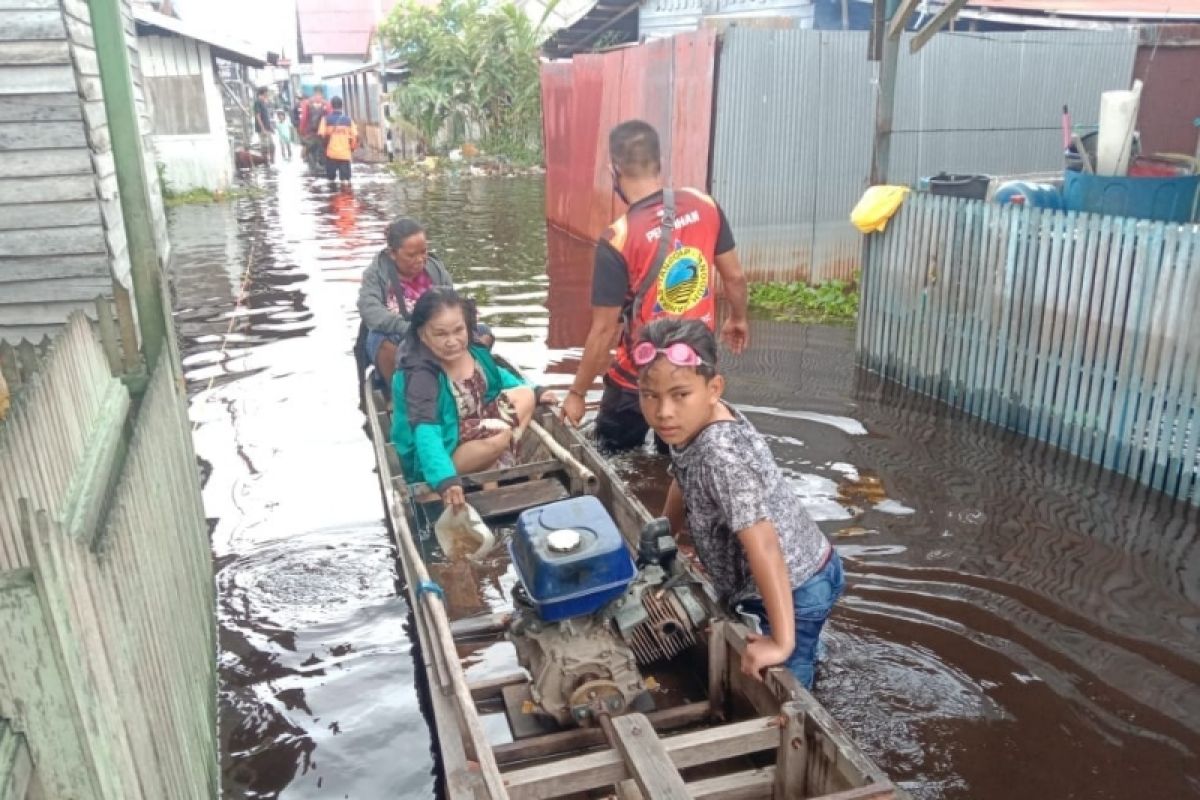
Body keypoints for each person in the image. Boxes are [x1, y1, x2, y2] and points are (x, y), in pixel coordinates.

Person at [636, 317, 843, 689]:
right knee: (801, 644)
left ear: (713, 387)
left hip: (798, 583)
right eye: (650, 395)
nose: (663, 411)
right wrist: (669, 532)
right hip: (805, 567)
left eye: (679, 394)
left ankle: (800, 688)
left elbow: (764, 544)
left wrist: (780, 642)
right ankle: (805, 644)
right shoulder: (691, 423)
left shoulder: (722, 457)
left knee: (783, 682)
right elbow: (682, 476)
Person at [561, 119, 751, 452]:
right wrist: (738, 319)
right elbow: (734, 277)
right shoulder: (704, 205)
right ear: (660, 164)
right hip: (692, 374)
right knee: (683, 465)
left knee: (613, 459)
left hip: (637, 378)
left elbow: (603, 331)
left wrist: (577, 394)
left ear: (613, 170)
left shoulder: (617, 238)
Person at [390, 288, 557, 511]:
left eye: (458, 330)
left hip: (475, 428)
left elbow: (498, 376)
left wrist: (538, 391)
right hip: (440, 448)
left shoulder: (474, 350)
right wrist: (444, 480)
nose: (452, 341)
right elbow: (425, 433)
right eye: (441, 334)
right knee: (501, 436)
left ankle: (491, 468)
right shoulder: (420, 376)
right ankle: (479, 472)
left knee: (524, 395)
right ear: (422, 334)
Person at [358, 218, 453, 386]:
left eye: (423, 252)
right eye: (411, 255)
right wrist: (410, 329)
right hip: (397, 333)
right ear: (393, 253)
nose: (420, 259)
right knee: (380, 341)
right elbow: (369, 310)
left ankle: (454, 385)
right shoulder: (376, 273)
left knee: (483, 333)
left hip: (434, 332)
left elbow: (451, 300)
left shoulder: (435, 268)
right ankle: (397, 395)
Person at [318, 96, 357, 184]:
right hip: (345, 154)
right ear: (342, 106)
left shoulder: (325, 119)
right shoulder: (349, 120)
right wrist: (351, 149)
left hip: (331, 154)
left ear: (331, 106)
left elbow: (321, 135)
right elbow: (355, 137)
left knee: (331, 181)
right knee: (345, 182)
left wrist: (324, 149)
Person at [300, 88, 329, 169]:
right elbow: (329, 117)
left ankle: (312, 165)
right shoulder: (326, 104)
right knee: (322, 150)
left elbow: (304, 118)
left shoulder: (307, 104)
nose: (317, 97)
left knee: (310, 149)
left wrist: (302, 130)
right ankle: (322, 164)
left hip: (311, 133)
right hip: (322, 133)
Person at [253, 87, 275, 164]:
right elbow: (258, 116)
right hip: (262, 129)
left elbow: (266, 116)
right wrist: (263, 129)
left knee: (272, 146)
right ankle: (266, 164)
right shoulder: (257, 102)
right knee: (265, 147)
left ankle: (271, 162)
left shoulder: (263, 102)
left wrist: (270, 127)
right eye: (266, 93)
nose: (267, 94)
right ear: (263, 93)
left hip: (267, 128)